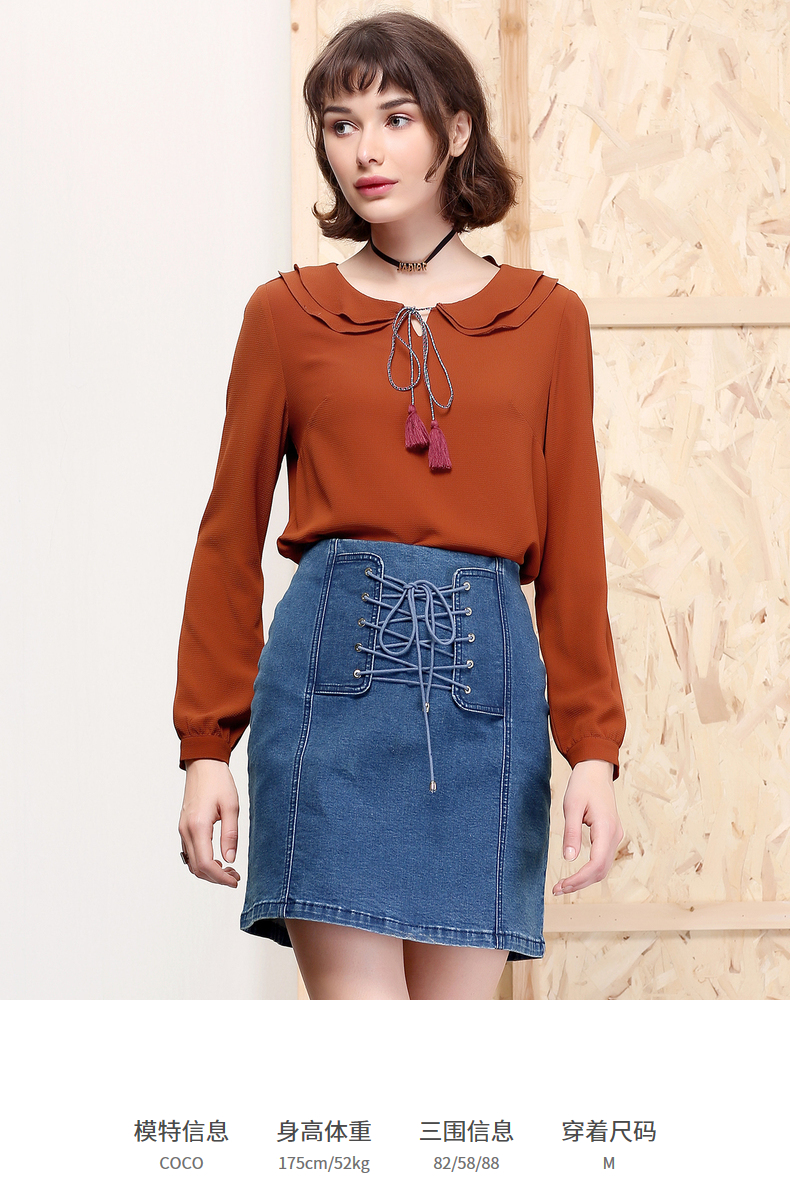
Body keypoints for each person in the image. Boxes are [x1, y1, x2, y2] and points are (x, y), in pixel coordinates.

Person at [174, 11, 626, 1000]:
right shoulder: (285, 316)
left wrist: (593, 752)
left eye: (394, 117)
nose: (365, 151)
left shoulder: (548, 320)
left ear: (455, 130)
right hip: (328, 702)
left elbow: (576, 552)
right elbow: (227, 538)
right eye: (340, 125)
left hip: (486, 705)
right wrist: (207, 748)